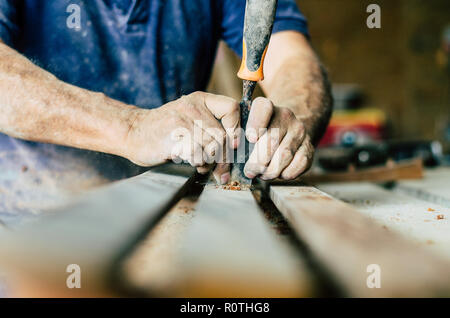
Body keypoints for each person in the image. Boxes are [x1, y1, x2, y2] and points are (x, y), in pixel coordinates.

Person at [0, 0, 332, 225]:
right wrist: (131, 127)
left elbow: (291, 60)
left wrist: (291, 121)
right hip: (31, 227)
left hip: (170, 222)